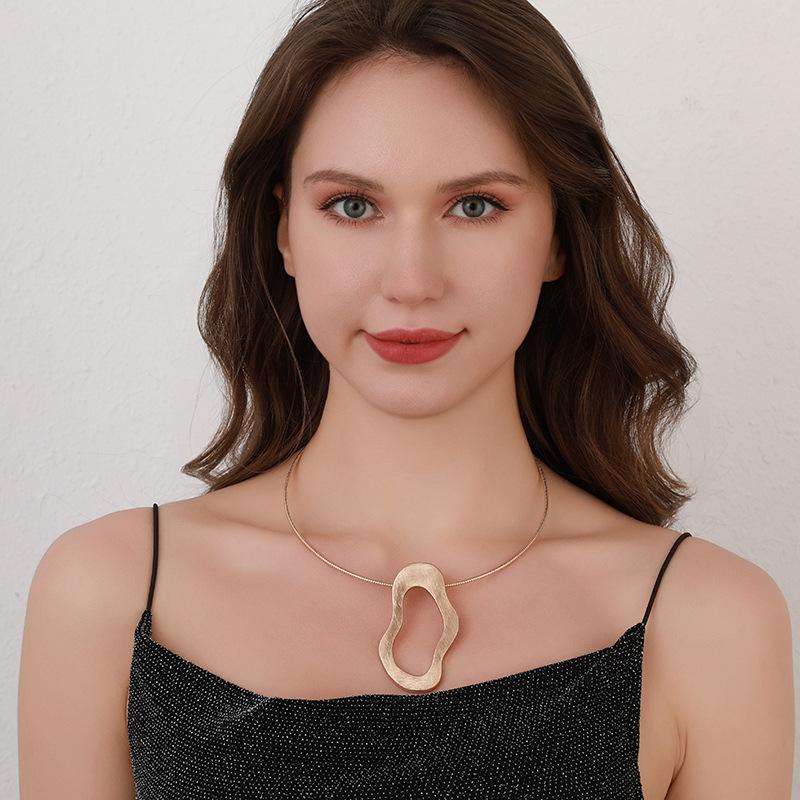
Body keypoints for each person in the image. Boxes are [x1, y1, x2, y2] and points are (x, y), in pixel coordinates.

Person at [18, 0, 794, 797]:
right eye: (353, 206)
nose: (412, 281)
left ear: (561, 235)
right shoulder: (108, 593)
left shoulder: (712, 623)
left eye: (475, 206)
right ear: (283, 231)